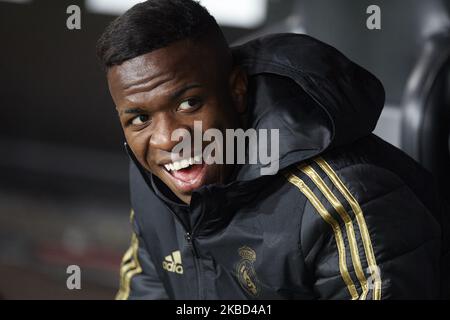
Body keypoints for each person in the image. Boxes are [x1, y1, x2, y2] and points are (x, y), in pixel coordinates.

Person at [96, 0, 449, 299]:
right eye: (140, 118)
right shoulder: (154, 182)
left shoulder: (338, 200)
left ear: (236, 90)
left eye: (189, 103)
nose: (166, 140)